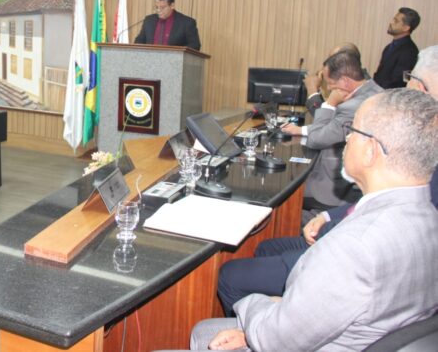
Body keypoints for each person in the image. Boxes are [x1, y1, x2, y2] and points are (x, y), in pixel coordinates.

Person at [173, 88, 438, 351]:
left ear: (371, 151)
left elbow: (274, 340)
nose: (346, 139)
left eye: (352, 131)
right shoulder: (429, 218)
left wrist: (263, 303)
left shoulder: (354, 247)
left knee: (202, 332)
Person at [216, 45, 438, 316]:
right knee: (266, 247)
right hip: (346, 216)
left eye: (354, 133)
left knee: (233, 275)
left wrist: (274, 308)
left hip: (341, 234)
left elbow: (320, 136)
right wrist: (331, 216)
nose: (348, 138)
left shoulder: (374, 109)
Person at [281, 49, 382, 209]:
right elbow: (333, 127)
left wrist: (329, 104)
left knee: (284, 192)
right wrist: (302, 130)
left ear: (345, 81)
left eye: (330, 83)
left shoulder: (353, 106)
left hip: (335, 188)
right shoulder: (374, 89)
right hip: (355, 179)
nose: (328, 88)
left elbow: (317, 139)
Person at [134, 0, 201, 50]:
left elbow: (195, 45)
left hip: (175, 59)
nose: (158, 10)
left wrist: (177, 54)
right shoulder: (149, 20)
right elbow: (139, 41)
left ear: (172, 6)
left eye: (162, 7)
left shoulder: (187, 23)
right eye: (157, 7)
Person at [373, 7, 420, 89]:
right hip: (377, 92)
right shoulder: (389, 47)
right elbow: (381, 75)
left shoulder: (410, 52)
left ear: (406, 28)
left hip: (389, 95)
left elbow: (401, 82)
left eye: (396, 21)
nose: (391, 22)